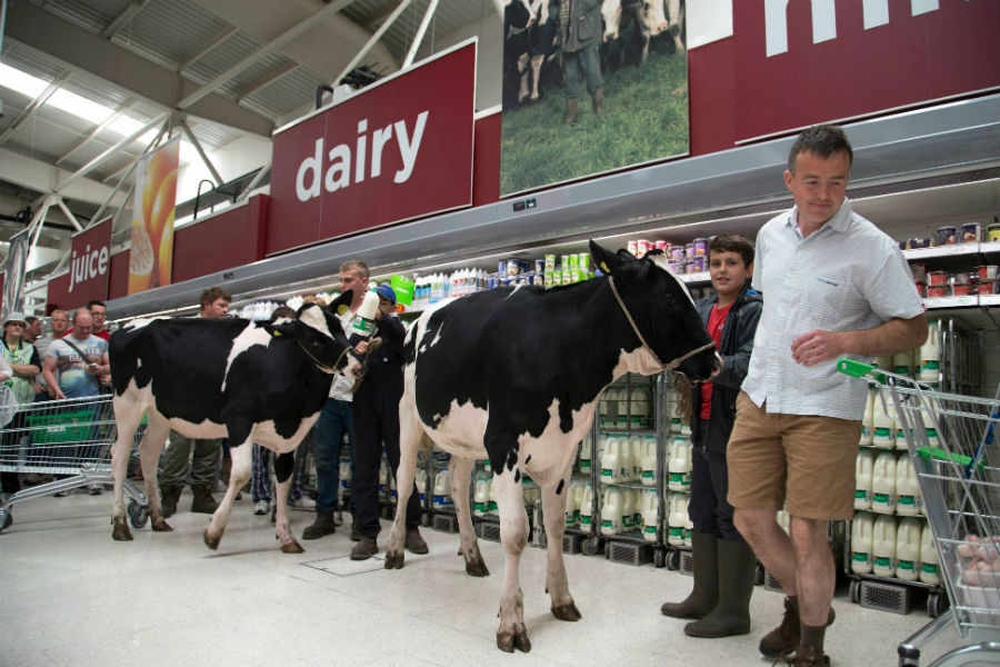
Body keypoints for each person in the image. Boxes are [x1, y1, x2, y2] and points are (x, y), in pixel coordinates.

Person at [727, 125, 928, 666]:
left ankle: (811, 646)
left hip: (825, 402)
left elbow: (913, 328)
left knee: (808, 526)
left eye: (836, 182)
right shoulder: (769, 235)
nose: (823, 194)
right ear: (790, 180)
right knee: (748, 516)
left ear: (848, 182)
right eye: (812, 181)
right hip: (761, 394)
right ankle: (808, 602)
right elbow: (772, 305)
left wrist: (846, 341)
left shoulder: (873, 248)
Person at [661, 234, 762, 638]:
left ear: (748, 269)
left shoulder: (753, 311)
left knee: (731, 512)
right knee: (701, 508)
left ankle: (734, 611)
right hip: (701, 422)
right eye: (716, 262)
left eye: (731, 262)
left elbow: (757, 362)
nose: (722, 269)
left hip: (735, 422)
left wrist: (716, 364)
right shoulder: (702, 309)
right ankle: (704, 595)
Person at [349, 284, 427, 560]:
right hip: (364, 404)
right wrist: (357, 350)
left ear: (392, 307)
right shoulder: (359, 328)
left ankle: (411, 526)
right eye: (374, 301)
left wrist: (381, 320)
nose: (377, 306)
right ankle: (367, 533)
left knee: (402, 464)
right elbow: (348, 355)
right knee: (364, 467)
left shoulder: (396, 328)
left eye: (383, 302)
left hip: (394, 405)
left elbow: (399, 337)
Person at [303, 262, 368, 540]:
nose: (343, 285)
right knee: (325, 458)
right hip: (330, 397)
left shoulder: (373, 313)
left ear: (365, 281)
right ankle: (325, 514)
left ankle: (359, 517)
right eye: (341, 280)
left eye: (349, 280)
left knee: (360, 460)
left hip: (359, 398)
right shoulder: (333, 314)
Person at [157, 287, 231, 517]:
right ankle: (169, 496)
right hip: (185, 398)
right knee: (179, 446)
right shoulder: (184, 329)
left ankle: (202, 494)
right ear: (207, 305)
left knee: (210, 446)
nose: (225, 311)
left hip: (215, 397)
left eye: (227, 306)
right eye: (221, 306)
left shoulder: (226, 332)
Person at [250, 306, 316, 516]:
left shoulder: (301, 350)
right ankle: (261, 497)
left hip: (293, 411)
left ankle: (293, 493)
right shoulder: (261, 348)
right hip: (264, 411)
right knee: (260, 454)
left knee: (296, 453)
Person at [42, 308, 110, 495]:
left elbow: (110, 367)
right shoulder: (58, 345)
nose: (87, 331)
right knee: (65, 441)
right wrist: (56, 389)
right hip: (67, 400)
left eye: (89, 328)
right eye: (83, 328)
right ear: (74, 325)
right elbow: (47, 369)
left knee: (92, 440)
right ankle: (63, 481)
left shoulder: (101, 343)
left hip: (92, 398)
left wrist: (101, 371)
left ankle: (92, 478)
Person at [0, 313, 40, 496]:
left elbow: (34, 369)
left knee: (11, 447)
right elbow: (28, 370)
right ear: (6, 326)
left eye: (20, 325)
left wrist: (7, 368)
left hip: (21, 406)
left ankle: (10, 486)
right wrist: (21, 370)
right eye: (13, 324)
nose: (17, 328)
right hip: (1, 404)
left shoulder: (31, 349)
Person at [560, 0, 603, 124]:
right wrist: (557, 15)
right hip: (567, 36)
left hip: (588, 30)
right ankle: (571, 113)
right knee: (570, 76)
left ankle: (598, 107)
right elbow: (553, 5)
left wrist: (578, 8)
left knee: (592, 71)